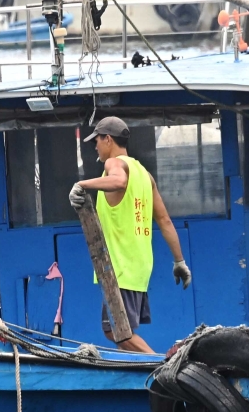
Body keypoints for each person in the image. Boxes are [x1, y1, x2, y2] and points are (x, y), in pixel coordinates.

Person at [70, 116, 191, 354]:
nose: (95, 146)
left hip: (121, 267)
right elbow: (164, 220)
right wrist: (179, 261)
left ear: (108, 139)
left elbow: (118, 180)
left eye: (97, 140)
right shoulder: (145, 175)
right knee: (121, 334)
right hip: (139, 267)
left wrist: (82, 185)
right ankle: (145, 375)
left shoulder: (114, 165)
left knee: (117, 331)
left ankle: (162, 368)